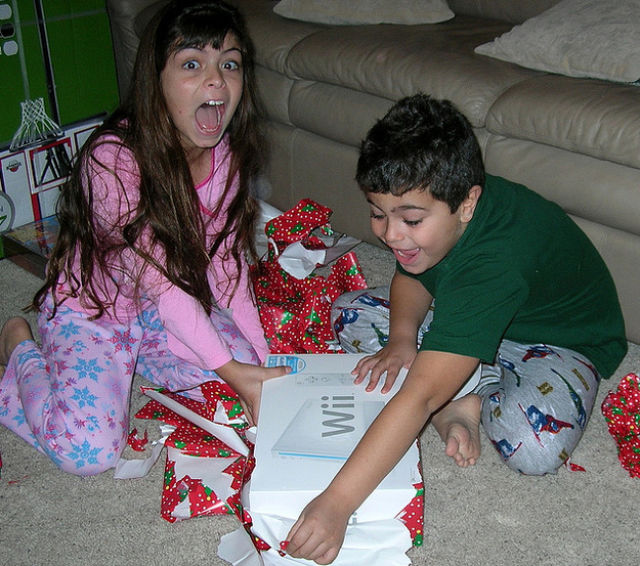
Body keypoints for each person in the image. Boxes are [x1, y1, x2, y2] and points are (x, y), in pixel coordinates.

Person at [285, 94, 627, 564]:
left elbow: (418, 398)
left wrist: (336, 505)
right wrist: (404, 339)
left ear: (468, 204)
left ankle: (467, 383)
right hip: (471, 311)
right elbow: (413, 273)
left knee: (534, 449)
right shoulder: (444, 211)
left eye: (409, 220)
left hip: (557, 341)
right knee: (349, 313)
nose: (389, 235)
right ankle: (460, 376)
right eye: (377, 213)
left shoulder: (495, 262)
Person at [0, 0, 288, 476]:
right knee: (89, 454)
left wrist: (259, 360)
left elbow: (226, 267)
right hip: (96, 309)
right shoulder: (113, 160)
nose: (217, 80)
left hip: (164, 311)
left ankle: (146, 365)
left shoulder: (227, 156)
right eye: (192, 64)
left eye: (229, 64)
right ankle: (19, 350)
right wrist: (237, 373)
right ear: (155, 79)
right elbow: (162, 283)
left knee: (238, 386)